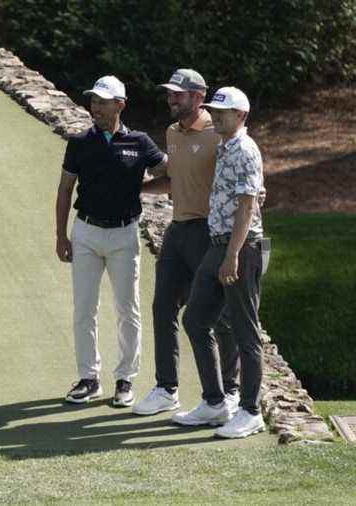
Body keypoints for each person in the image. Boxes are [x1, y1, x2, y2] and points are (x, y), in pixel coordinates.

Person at [133, 69, 240, 416]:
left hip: (208, 232)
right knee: (162, 307)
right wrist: (134, 188)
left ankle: (231, 390)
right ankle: (166, 388)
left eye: (178, 94)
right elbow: (174, 181)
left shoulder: (217, 132)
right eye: (169, 94)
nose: (171, 99)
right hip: (177, 229)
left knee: (217, 314)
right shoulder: (172, 133)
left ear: (198, 97)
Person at [56, 75, 167, 407]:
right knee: (84, 309)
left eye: (103, 102)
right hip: (86, 232)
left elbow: (171, 176)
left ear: (120, 105)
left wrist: (141, 189)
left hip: (124, 233)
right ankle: (89, 378)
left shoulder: (140, 142)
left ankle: (125, 379)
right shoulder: (79, 142)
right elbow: (64, 190)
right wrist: (60, 235)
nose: (96, 107)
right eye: (93, 101)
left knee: (127, 308)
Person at [172, 86, 267, 438]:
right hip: (218, 246)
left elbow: (247, 207)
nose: (217, 116)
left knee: (245, 329)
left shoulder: (244, 149)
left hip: (241, 249)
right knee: (195, 318)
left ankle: (250, 410)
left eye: (224, 112)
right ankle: (214, 402)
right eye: (214, 110)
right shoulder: (225, 146)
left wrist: (232, 257)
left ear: (241, 116)